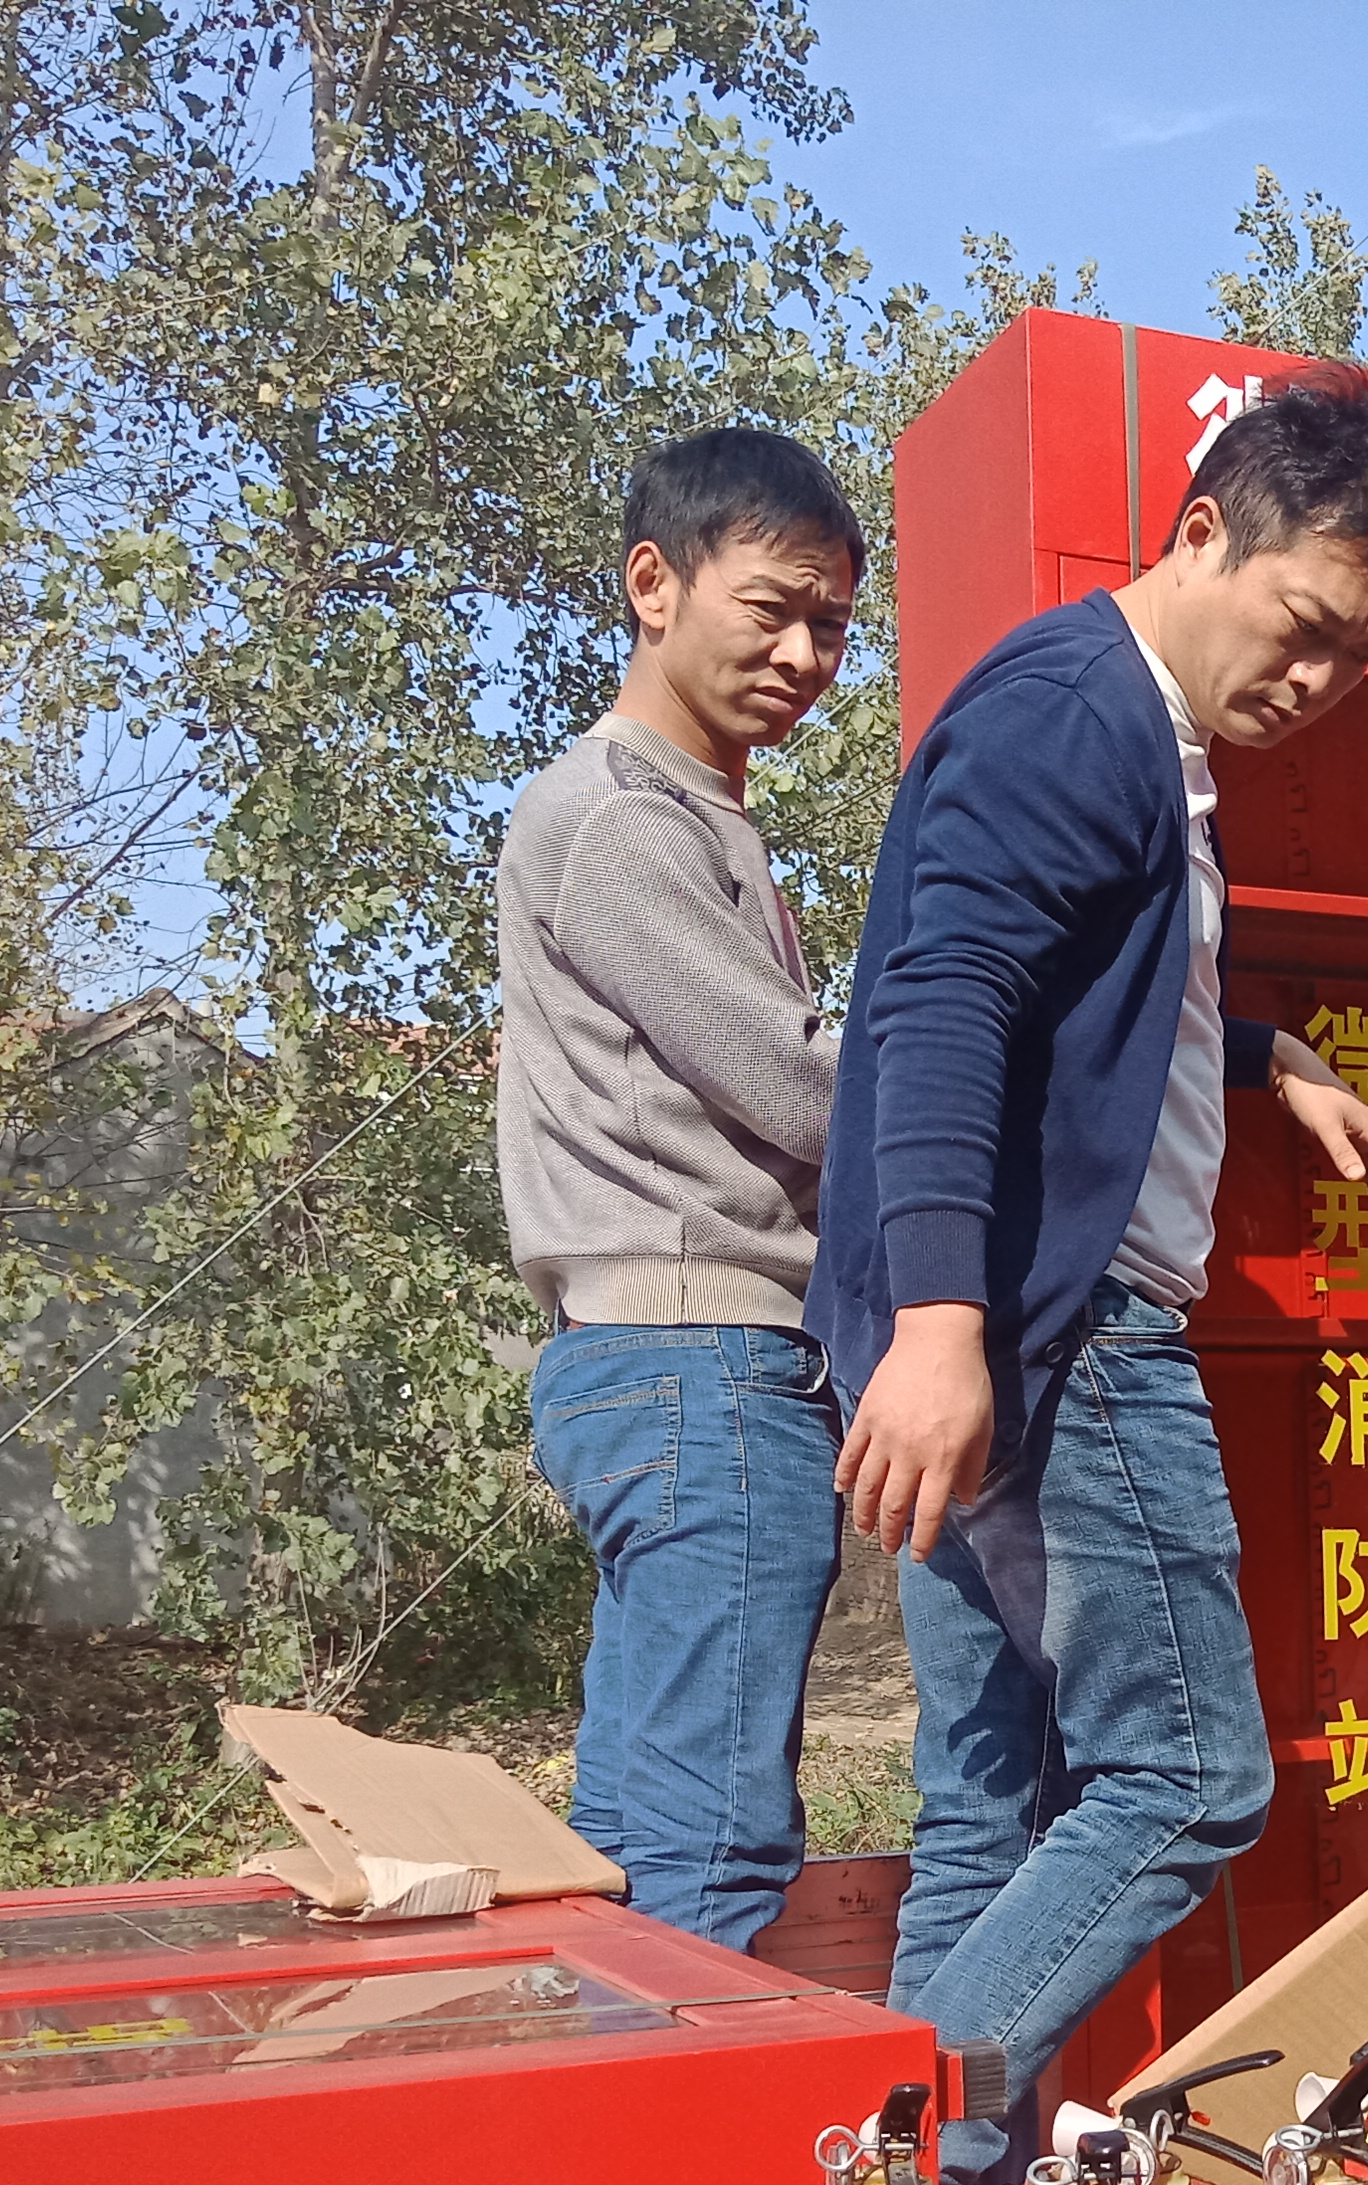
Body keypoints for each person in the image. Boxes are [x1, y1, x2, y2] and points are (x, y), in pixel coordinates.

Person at [810, 362, 1368, 2170]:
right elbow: (942, 1006)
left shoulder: (1126, 730)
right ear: (1201, 532)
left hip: (999, 1334)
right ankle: (885, 2144)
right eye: (1305, 626)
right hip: (1057, 1339)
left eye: (1362, 657)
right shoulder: (1081, 715)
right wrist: (946, 1325)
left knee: (988, 1796)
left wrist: (1266, 1057)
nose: (1319, 683)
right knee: (1187, 1777)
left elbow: (1079, 998)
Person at [498, 424, 865, 1953]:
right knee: (709, 1847)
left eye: (831, 625)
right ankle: (678, 2103)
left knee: (646, 1837)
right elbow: (804, 1087)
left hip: (671, 1368)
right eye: (771, 610)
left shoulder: (687, 811)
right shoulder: (621, 816)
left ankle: (607, 2085)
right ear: (653, 584)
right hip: (702, 1361)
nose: (803, 656)